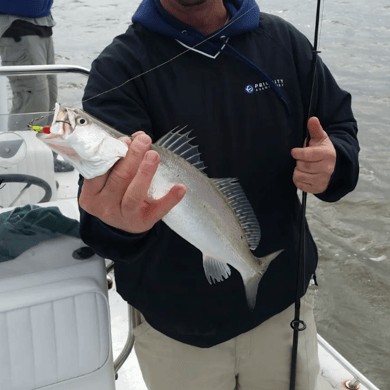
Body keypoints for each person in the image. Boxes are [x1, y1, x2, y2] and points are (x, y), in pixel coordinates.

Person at [78, 0, 360, 389]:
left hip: (283, 304)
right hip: (174, 326)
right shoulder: (119, 68)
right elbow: (102, 211)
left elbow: (339, 126)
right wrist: (116, 225)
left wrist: (333, 162)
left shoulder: (285, 43)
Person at [0, 0, 74, 172]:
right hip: (16, 27)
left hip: (42, 23)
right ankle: (20, 165)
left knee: (50, 100)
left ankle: (45, 158)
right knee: (32, 102)